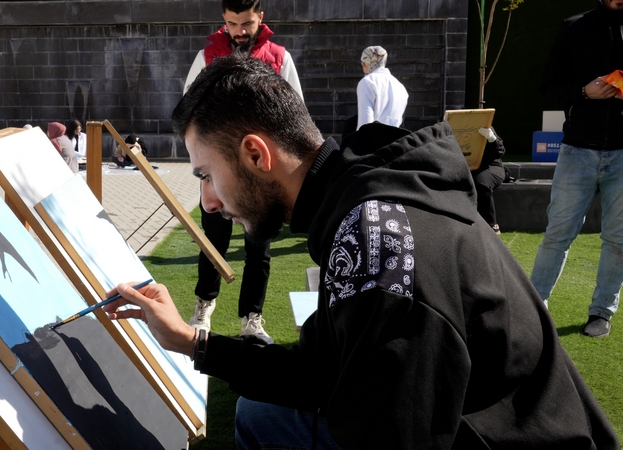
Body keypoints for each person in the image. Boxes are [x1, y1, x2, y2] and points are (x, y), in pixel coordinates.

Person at [101, 53, 619, 449]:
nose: (208, 202)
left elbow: (392, 435)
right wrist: (193, 341)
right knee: (259, 412)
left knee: (264, 420)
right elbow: (322, 369)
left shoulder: (377, 248)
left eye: (206, 175)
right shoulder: (362, 198)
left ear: (256, 154)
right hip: (488, 419)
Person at [184, 0, 305, 343]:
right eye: (233, 23)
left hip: (260, 172)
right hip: (218, 168)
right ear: (224, 19)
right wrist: (203, 164)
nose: (240, 31)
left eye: (247, 23)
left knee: (258, 248)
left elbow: (297, 112)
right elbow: (187, 111)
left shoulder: (279, 58)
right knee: (213, 243)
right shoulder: (207, 57)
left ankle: (252, 318)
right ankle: (204, 306)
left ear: (260, 18)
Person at [530, 0, 623, 338]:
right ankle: (534, 307)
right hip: (578, 150)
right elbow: (549, 87)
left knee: (618, 239)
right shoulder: (575, 26)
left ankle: (601, 311)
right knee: (558, 233)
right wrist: (585, 92)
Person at [356, 45, 409, 130]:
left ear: (366, 63)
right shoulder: (400, 87)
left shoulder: (367, 82)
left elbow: (365, 121)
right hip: (395, 136)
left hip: (373, 136)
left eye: (362, 63)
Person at [471, 127, 506, 235]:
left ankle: (491, 225)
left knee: (481, 182)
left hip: (490, 166)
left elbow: (499, 152)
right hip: (465, 166)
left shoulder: (484, 125)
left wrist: (491, 138)